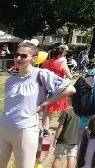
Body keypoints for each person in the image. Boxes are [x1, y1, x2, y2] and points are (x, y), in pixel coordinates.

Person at [0, 40, 76, 168]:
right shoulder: (10, 80)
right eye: (16, 55)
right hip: (4, 128)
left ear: (34, 58)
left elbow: (70, 89)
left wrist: (46, 103)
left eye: (23, 56)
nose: (18, 58)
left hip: (25, 129)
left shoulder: (41, 74)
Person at [41, 44, 74, 135]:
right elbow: (70, 76)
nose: (67, 53)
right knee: (63, 109)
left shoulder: (45, 62)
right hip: (58, 88)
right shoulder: (62, 64)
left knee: (47, 110)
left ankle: (45, 127)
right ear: (62, 52)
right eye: (66, 51)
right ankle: (49, 129)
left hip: (47, 88)